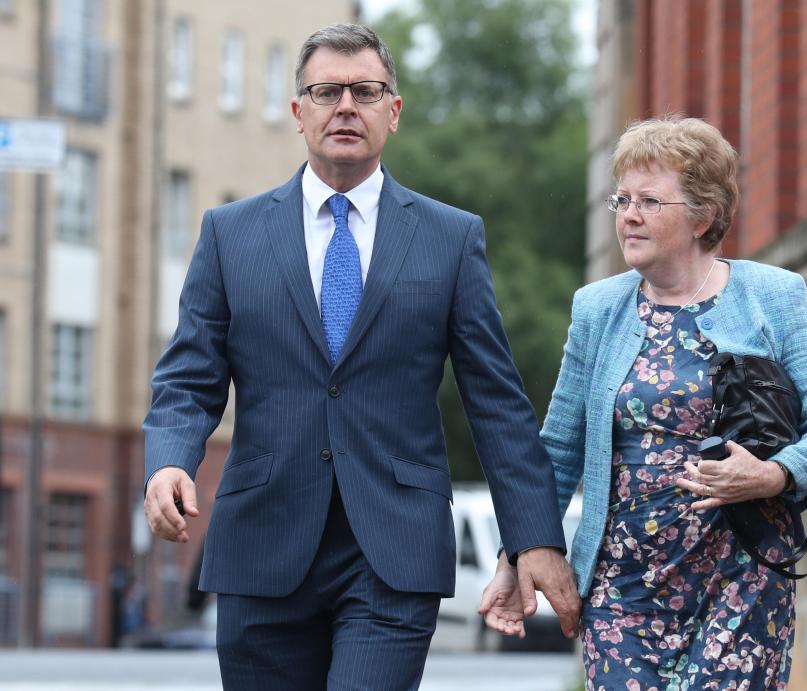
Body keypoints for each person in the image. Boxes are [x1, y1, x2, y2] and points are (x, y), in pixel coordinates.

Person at [142, 23, 579, 690]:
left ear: (393, 112)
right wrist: (170, 457)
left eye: (366, 90)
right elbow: (188, 375)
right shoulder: (230, 235)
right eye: (326, 91)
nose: (346, 105)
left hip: (392, 550)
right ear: (299, 112)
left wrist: (535, 536)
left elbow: (496, 401)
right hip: (263, 542)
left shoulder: (450, 239)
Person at [479, 116, 807, 689]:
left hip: (742, 583)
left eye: (649, 202)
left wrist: (775, 474)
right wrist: (516, 554)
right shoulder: (597, 309)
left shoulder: (772, 297)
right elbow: (558, 449)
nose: (627, 215)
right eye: (622, 199)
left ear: (702, 216)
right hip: (622, 588)